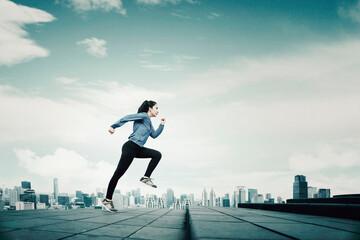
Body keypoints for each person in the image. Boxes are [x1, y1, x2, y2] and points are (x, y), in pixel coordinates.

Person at [101, 100, 166, 213]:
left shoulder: (149, 123)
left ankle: (146, 178)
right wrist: (113, 126)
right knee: (118, 174)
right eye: (156, 108)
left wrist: (161, 125)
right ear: (149, 108)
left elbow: (154, 135)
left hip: (138, 149)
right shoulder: (143, 116)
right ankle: (107, 200)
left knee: (157, 155)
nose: (158, 111)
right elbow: (127, 117)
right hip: (130, 147)